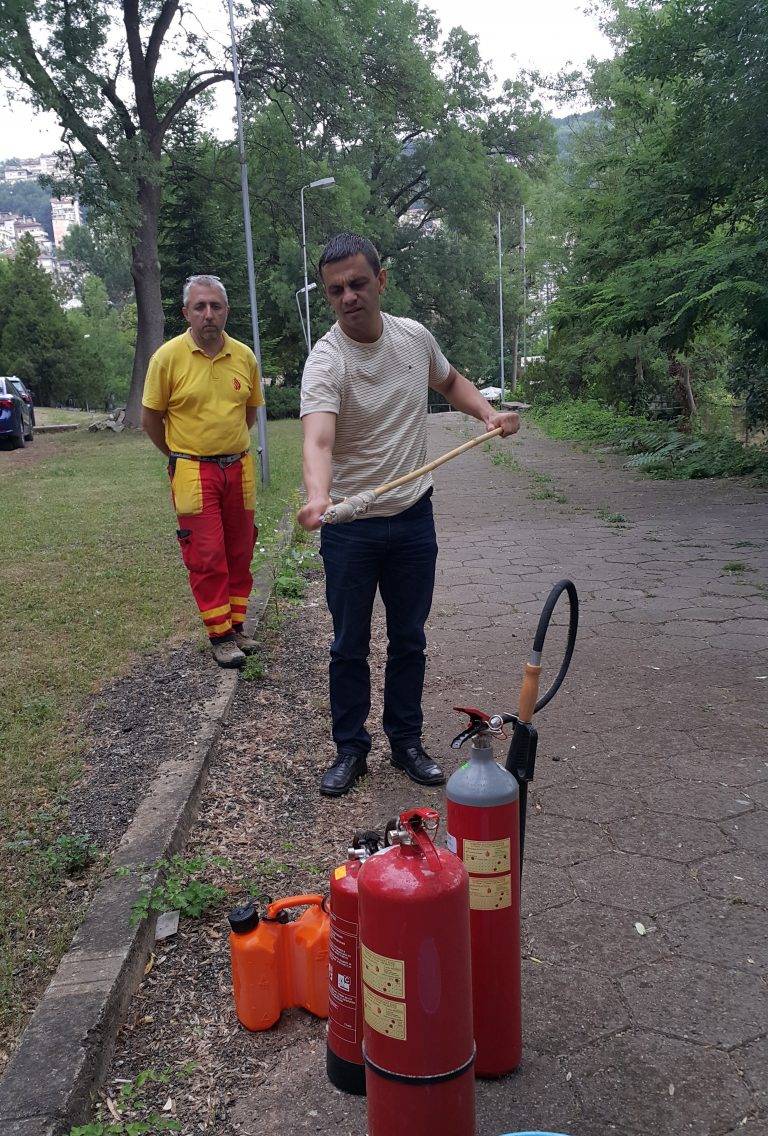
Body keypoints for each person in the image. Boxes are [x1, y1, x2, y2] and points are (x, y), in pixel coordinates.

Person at [298, 233, 520, 797]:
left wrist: (487, 414)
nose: (348, 297)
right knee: (348, 644)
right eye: (335, 290)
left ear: (381, 280)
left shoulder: (413, 338)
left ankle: (405, 742)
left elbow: (448, 382)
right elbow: (318, 439)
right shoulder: (326, 361)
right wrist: (319, 496)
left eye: (357, 283)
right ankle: (351, 750)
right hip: (351, 528)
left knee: (409, 639)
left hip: (413, 519)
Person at [142, 274, 264, 670]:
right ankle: (220, 635)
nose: (208, 314)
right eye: (200, 307)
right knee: (207, 554)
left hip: (239, 467)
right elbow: (150, 419)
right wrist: (181, 454)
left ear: (226, 310)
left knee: (241, 549)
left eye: (215, 306)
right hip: (192, 471)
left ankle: (238, 625)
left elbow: (248, 413)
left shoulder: (244, 356)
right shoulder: (167, 358)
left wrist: (226, 447)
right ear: (186, 313)